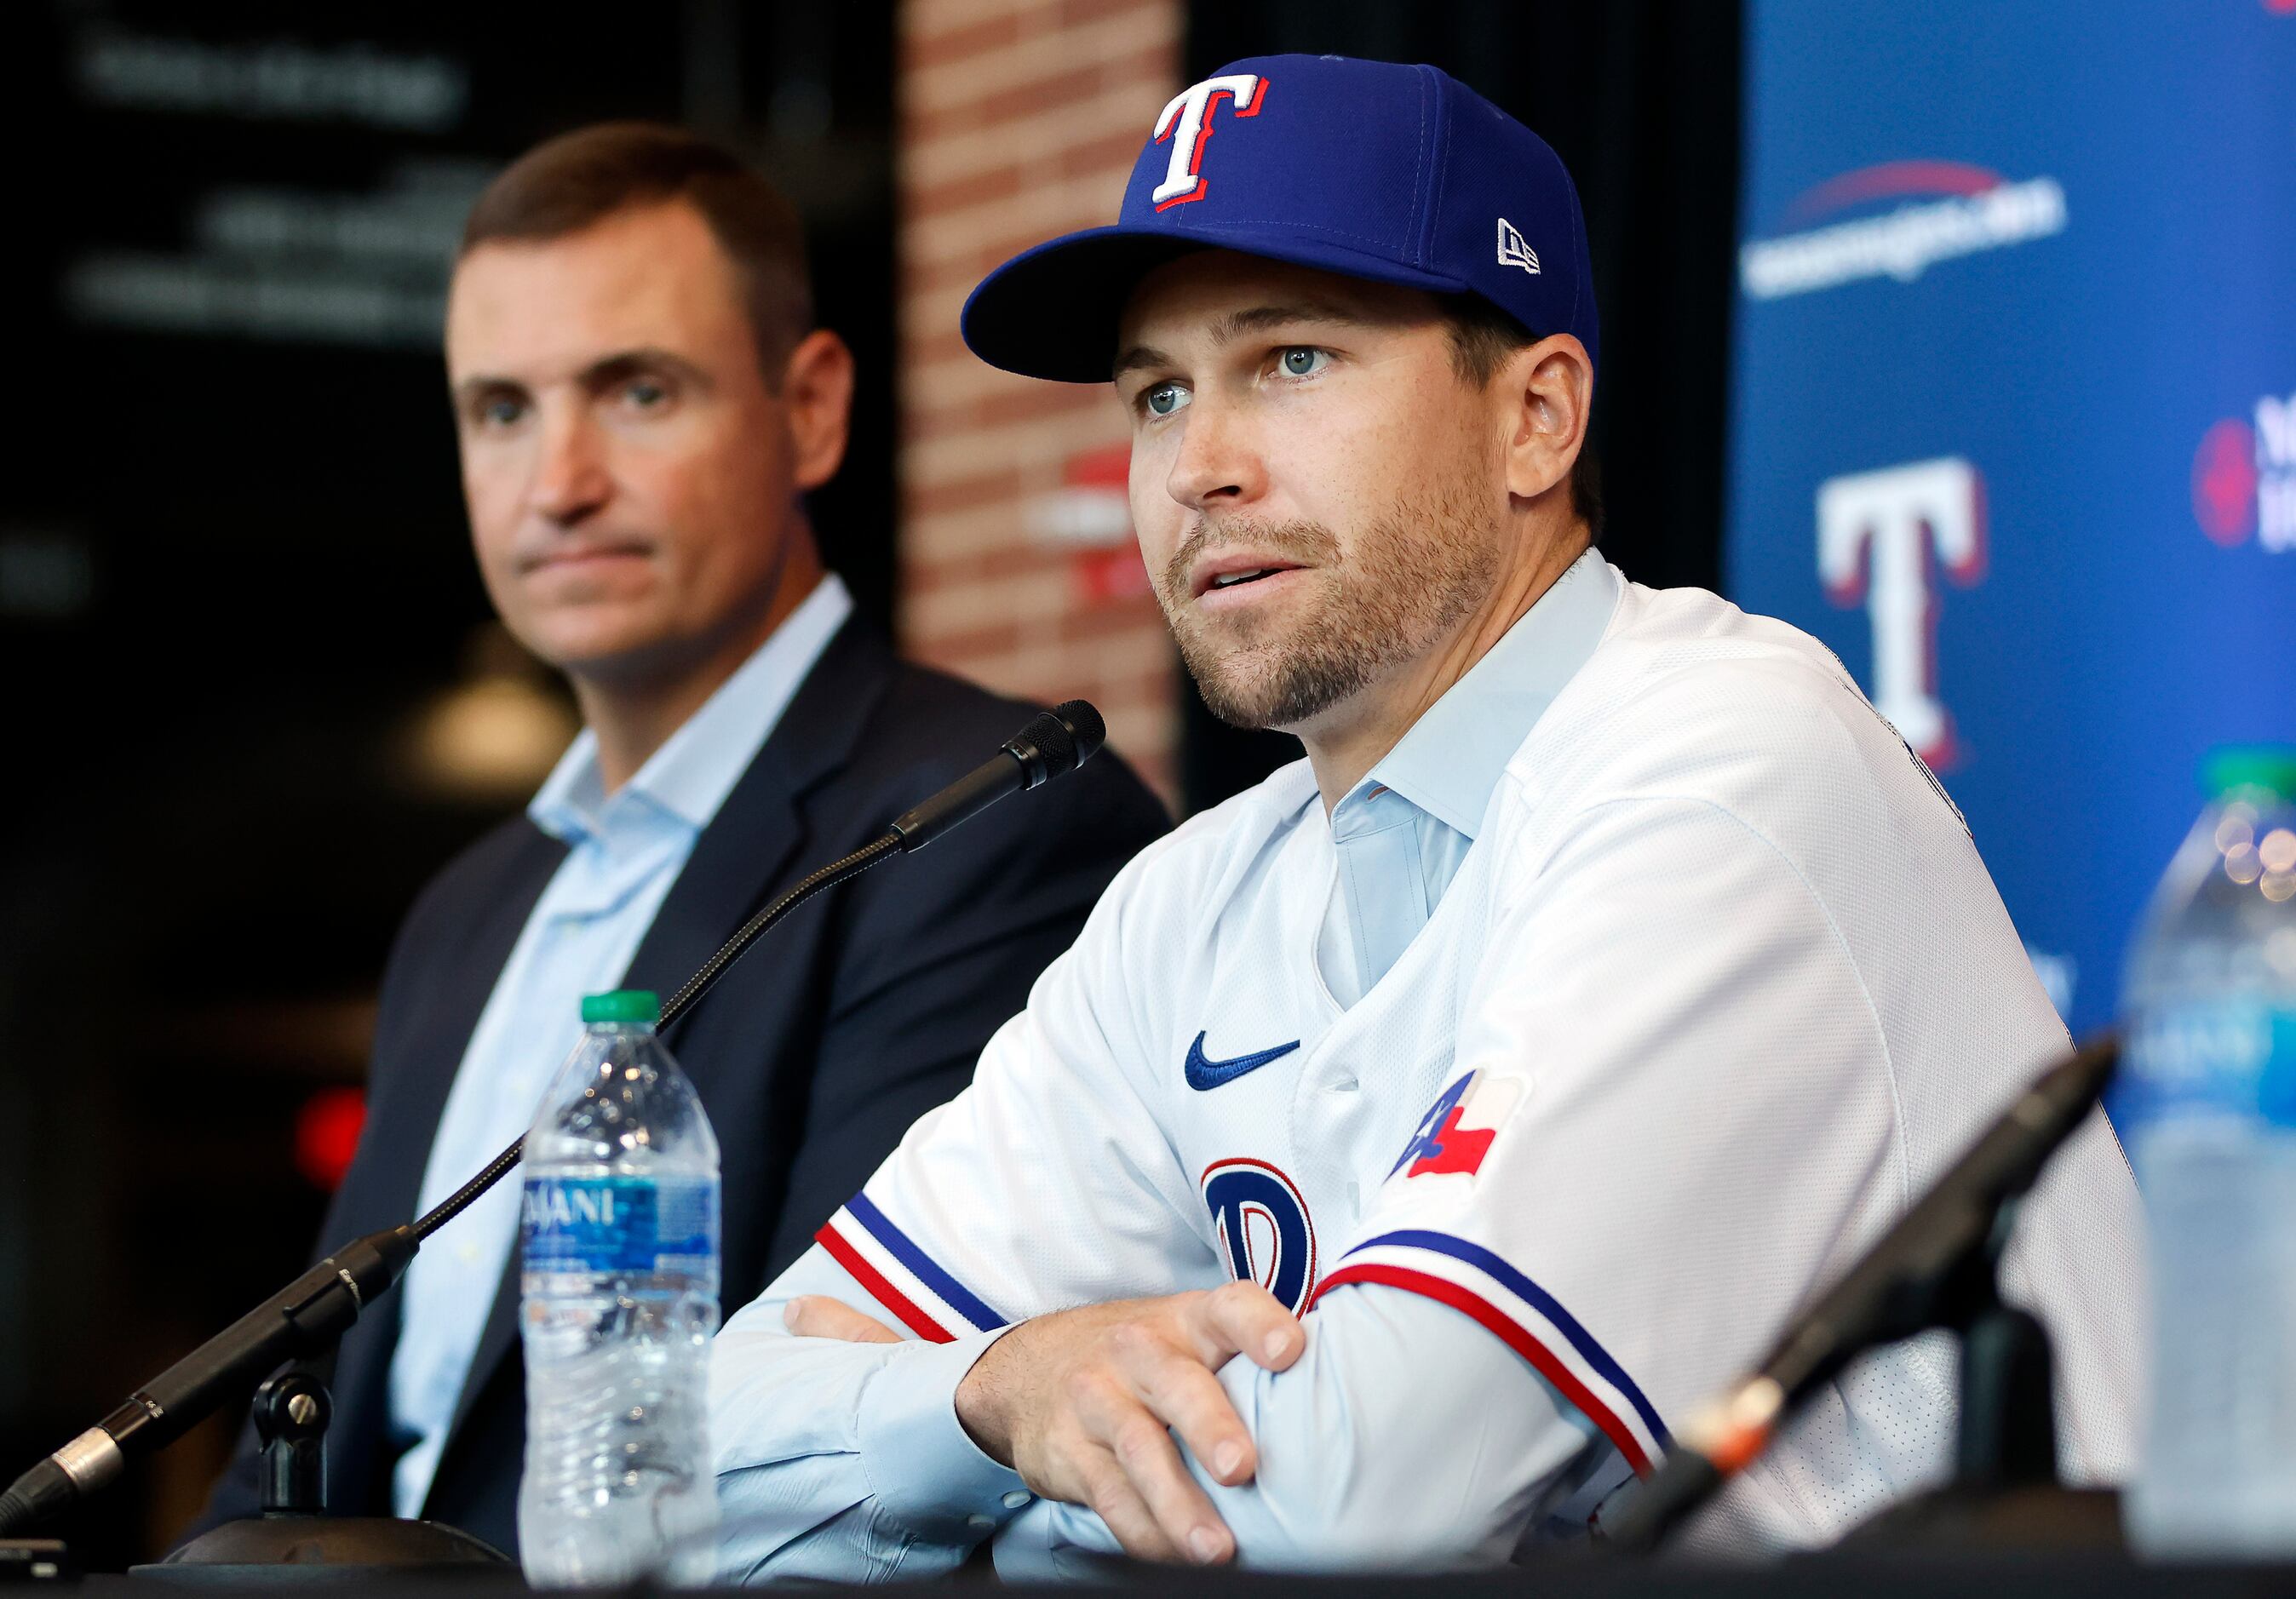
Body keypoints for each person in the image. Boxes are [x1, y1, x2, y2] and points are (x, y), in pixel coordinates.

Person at [708, 55, 2144, 1579]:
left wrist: (981, 1480)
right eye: (1160, 392)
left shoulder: (1721, 761)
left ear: (1537, 417)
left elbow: (1364, 1508)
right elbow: (670, 1464)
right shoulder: (1189, 901)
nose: (1200, 466)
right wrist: (1001, 1390)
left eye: (1297, 361)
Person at [192, 123, 1169, 1557]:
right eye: (501, 410)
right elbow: (314, 1433)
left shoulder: (986, 817)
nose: (559, 480)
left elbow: (833, 1431)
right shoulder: (471, 909)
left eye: (636, 391)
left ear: (814, 407)